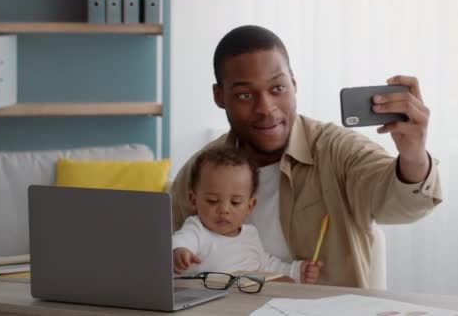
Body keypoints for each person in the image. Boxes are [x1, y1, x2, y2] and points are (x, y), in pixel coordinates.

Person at [171, 25, 442, 288]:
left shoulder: (337, 151)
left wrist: (413, 154)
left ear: (294, 83)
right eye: (244, 94)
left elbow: (403, 205)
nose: (266, 108)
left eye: (278, 89)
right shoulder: (200, 171)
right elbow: (161, 267)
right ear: (219, 96)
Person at [172, 145, 322, 284]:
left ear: (250, 206)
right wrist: (180, 252)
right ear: (193, 200)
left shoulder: (250, 234)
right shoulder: (197, 229)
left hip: (245, 302)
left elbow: (265, 263)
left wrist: (296, 271)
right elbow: (180, 241)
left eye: (235, 202)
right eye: (212, 201)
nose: (224, 209)